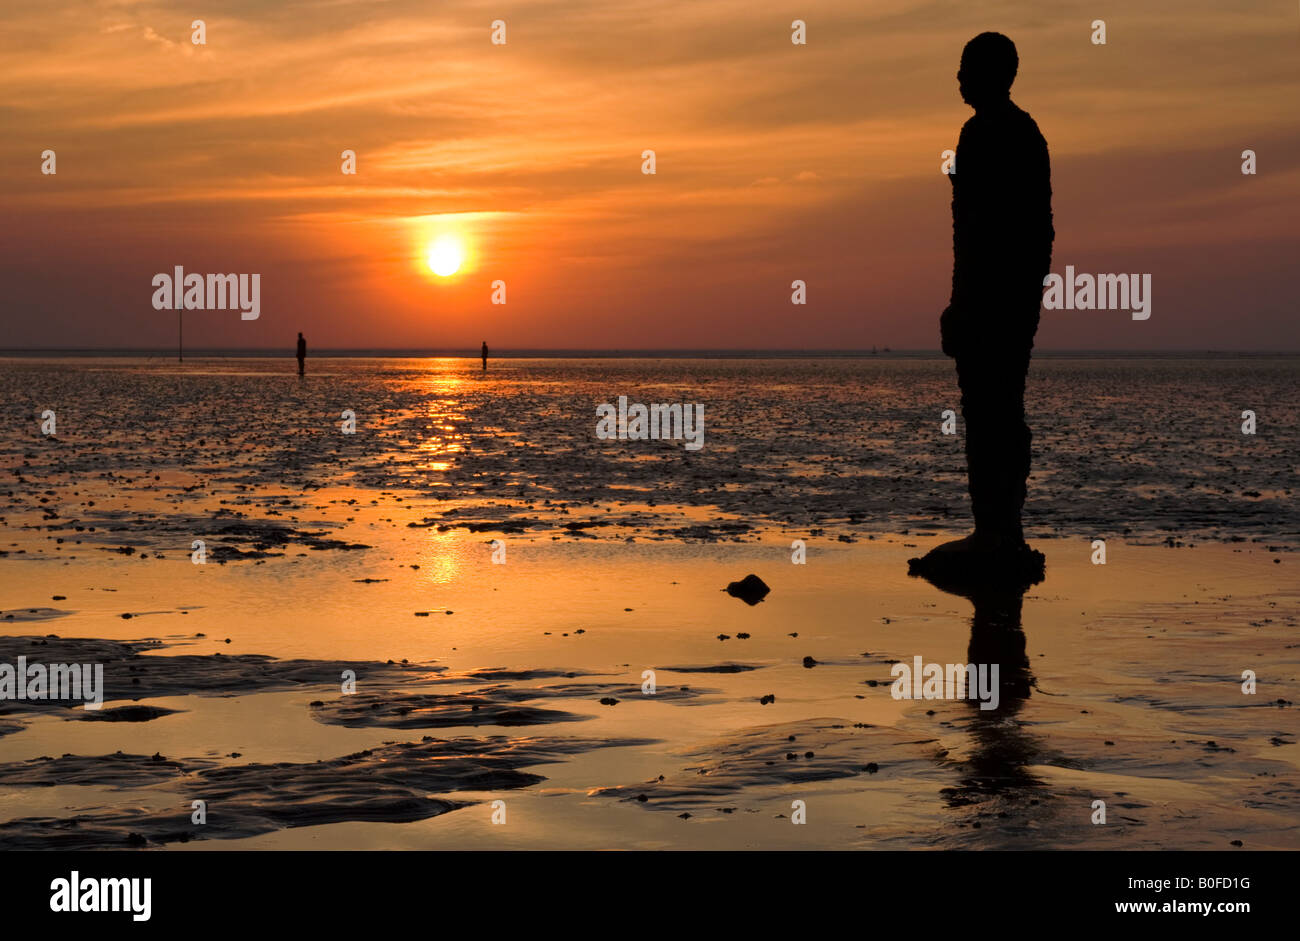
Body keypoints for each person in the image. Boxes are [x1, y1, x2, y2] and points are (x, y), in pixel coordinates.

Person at [918, 32, 1054, 574]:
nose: (958, 78)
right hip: (1012, 297)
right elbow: (1031, 232)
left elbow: (979, 234)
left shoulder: (990, 133)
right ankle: (1000, 529)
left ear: (993, 74)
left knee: (989, 412)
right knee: (1000, 410)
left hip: (994, 298)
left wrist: (963, 304)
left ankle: (996, 532)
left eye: (966, 68)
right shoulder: (1020, 133)